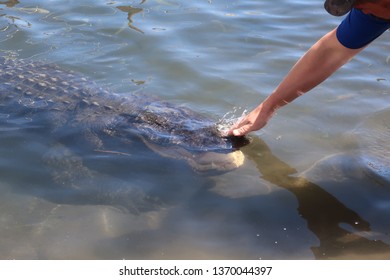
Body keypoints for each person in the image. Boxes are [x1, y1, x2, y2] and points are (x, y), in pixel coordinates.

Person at [228, 0, 390, 137]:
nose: (362, 11)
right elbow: (330, 52)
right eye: (356, 5)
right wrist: (267, 107)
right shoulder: (370, 10)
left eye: (361, 4)